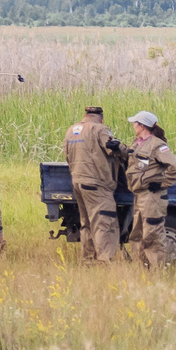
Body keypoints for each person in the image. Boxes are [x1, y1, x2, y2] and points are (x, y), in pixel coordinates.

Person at [64, 104, 124, 262]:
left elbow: (67, 155)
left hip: (77, 181)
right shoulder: (100, 130)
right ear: (101, 118)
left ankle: (88, 260)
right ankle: (105, 261)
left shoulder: (71, 130)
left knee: (87, 224)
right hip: (97, 184)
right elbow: (114, 149)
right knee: (105, 223)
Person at [125, 110, 176, 264]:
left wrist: (162, 183)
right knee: (137, 235)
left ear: (142, 126)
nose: (133, 126)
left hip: (152, 197)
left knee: (153, 236)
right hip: (139, 195)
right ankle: (142, 270)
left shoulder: (157, 145)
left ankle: (158, 272)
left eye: (135, 123)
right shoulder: (137, 143)